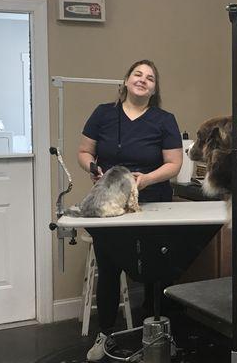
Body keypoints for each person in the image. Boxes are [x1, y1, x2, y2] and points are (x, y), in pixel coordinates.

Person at [77, 60, 183, 361]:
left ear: (154, 89)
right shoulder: (103, 114)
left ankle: (158, 336)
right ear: (125, 80)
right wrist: (94, 168)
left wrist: (146, 180)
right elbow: (84, 152)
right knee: (109, 269)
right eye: (138, 74)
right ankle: (106, 334)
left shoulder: (164, 120)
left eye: (150, 78)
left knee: (156, 270)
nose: (143, 80)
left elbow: (174, 163)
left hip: (153, 202)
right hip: (110, 204)